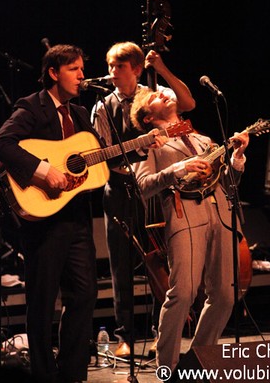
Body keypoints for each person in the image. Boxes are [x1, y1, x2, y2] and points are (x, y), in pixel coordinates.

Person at [0, 44, 106, 383]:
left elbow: (96, 159)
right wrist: (44, 172)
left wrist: (141, 144)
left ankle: (73, 372)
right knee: (42, 300)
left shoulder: (80, 113)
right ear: (53, 73)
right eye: (73, 69)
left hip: (76, 219)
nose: (81, 75)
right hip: (43, 219)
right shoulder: (32, 106)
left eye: (82, 69)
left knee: (86, 293)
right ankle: (44, 375)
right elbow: (3, 142)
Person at [129, 87, 250, 372]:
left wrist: (237, 158)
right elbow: (143, 186)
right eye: (156, 97)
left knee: (225, 294)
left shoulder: (203, 139)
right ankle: (167, 366)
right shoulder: (148, 142)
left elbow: (229, 183)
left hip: (220, 210)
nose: (165, 95)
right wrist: (179, 168)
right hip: (184, 211)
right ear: (146, 116)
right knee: (183, 292)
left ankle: (197, 361)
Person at [90, 41, 196, 358]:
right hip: (120, 187)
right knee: (120, 264)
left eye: (119, 67)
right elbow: (103, 154)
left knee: (160, 258)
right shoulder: (102, 106)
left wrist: (161, 68)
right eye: (110, 67)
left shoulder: (153, 95)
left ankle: (160, 329)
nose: (112, 73)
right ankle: (124, 335)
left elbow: (188, 103)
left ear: (137, 69)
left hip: (156, 188)